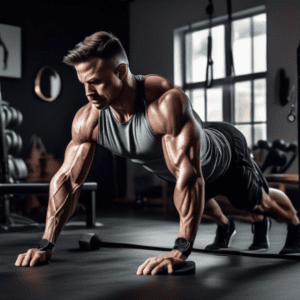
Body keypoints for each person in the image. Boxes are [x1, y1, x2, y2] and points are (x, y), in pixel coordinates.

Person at [15, 31, 300, 275]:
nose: (88, 92)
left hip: (223, 155)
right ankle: (225, 227)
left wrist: (180, 251)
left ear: (121, 72)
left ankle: (295, 225)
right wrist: (45, 245)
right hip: (180, 167)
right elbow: (67, 181)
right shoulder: (88, 119)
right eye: (83, 83)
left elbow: (190, 177)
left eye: (97, 82)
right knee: (195, 199)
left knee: (258, 203)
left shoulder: (164, 103)